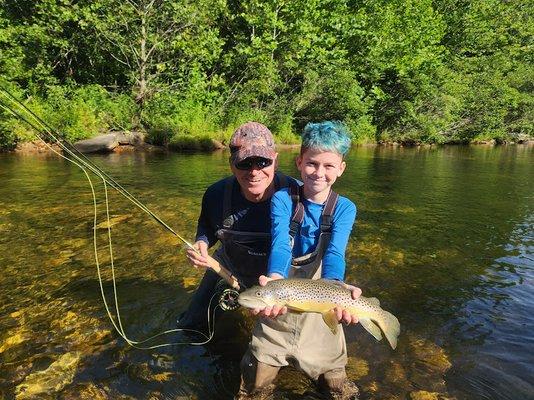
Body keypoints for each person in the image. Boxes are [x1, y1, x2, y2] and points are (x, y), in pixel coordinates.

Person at [238, 121, 361, 400]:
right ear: (299, 162)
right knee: (256, 385)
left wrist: (337, 288)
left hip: (323, 290)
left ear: (341, 169)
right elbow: (281, 243)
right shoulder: (283, 199)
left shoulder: (344, 208)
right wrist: (276, 276)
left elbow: (334, 253)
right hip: (284, 290)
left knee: (336, 388)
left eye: (329, 166)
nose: (319, 173)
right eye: (312, 164)